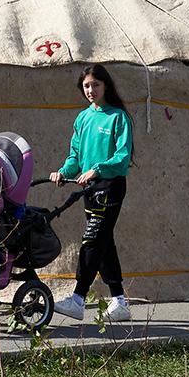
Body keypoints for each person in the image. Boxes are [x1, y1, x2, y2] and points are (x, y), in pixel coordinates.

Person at [48, 63, 134, 323]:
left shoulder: (118, 117)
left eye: (96, 84)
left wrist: (97, 170)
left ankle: (77, 298)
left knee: (93, 239)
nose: (91, 90)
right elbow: (76, 155)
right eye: (86, 85)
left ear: (106, 85)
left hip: (110, 186)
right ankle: (119, 302)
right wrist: (64, 171)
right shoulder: (83, 118)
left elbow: (122, 157)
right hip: (89, 188)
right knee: (104, 241)